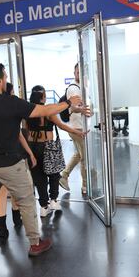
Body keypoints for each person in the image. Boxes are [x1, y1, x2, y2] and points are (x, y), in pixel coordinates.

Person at [0, 62, 82, 276]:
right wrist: (67, 102)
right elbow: (45, 110)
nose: (7, 80)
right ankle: (35, 243)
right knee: (27, 201)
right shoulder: (11, 102)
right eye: (6, 77)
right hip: (11, 165)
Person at [27, 85, 87, 217]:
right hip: (48, 147)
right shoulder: (47, 111)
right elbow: (61, 126)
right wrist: (78, 132)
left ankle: (43, 206)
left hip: (32, 147)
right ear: (43, 97)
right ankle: (53, 200)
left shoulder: (29, 111)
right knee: (53, 174)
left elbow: (25, 131)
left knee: (39, 177)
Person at [0, 82, 37, 243]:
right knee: (12, 188)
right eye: (13, 91)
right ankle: (14, 219)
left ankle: (4, 225)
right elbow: (19, 134)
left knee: (4, 191)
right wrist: (29, 152)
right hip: (11, 154)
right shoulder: (11, 107)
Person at [59, 63, 90, 194]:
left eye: (82, 72)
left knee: (79, 154)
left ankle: (64, 175)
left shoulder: (81, 87)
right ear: (74, 73)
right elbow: (72, 107)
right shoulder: (73, 89)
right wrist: (82, 110)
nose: (79, 74)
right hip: (77, 128)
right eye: (77, 72)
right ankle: (85, 186)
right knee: (85, 158)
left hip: (79, 126)